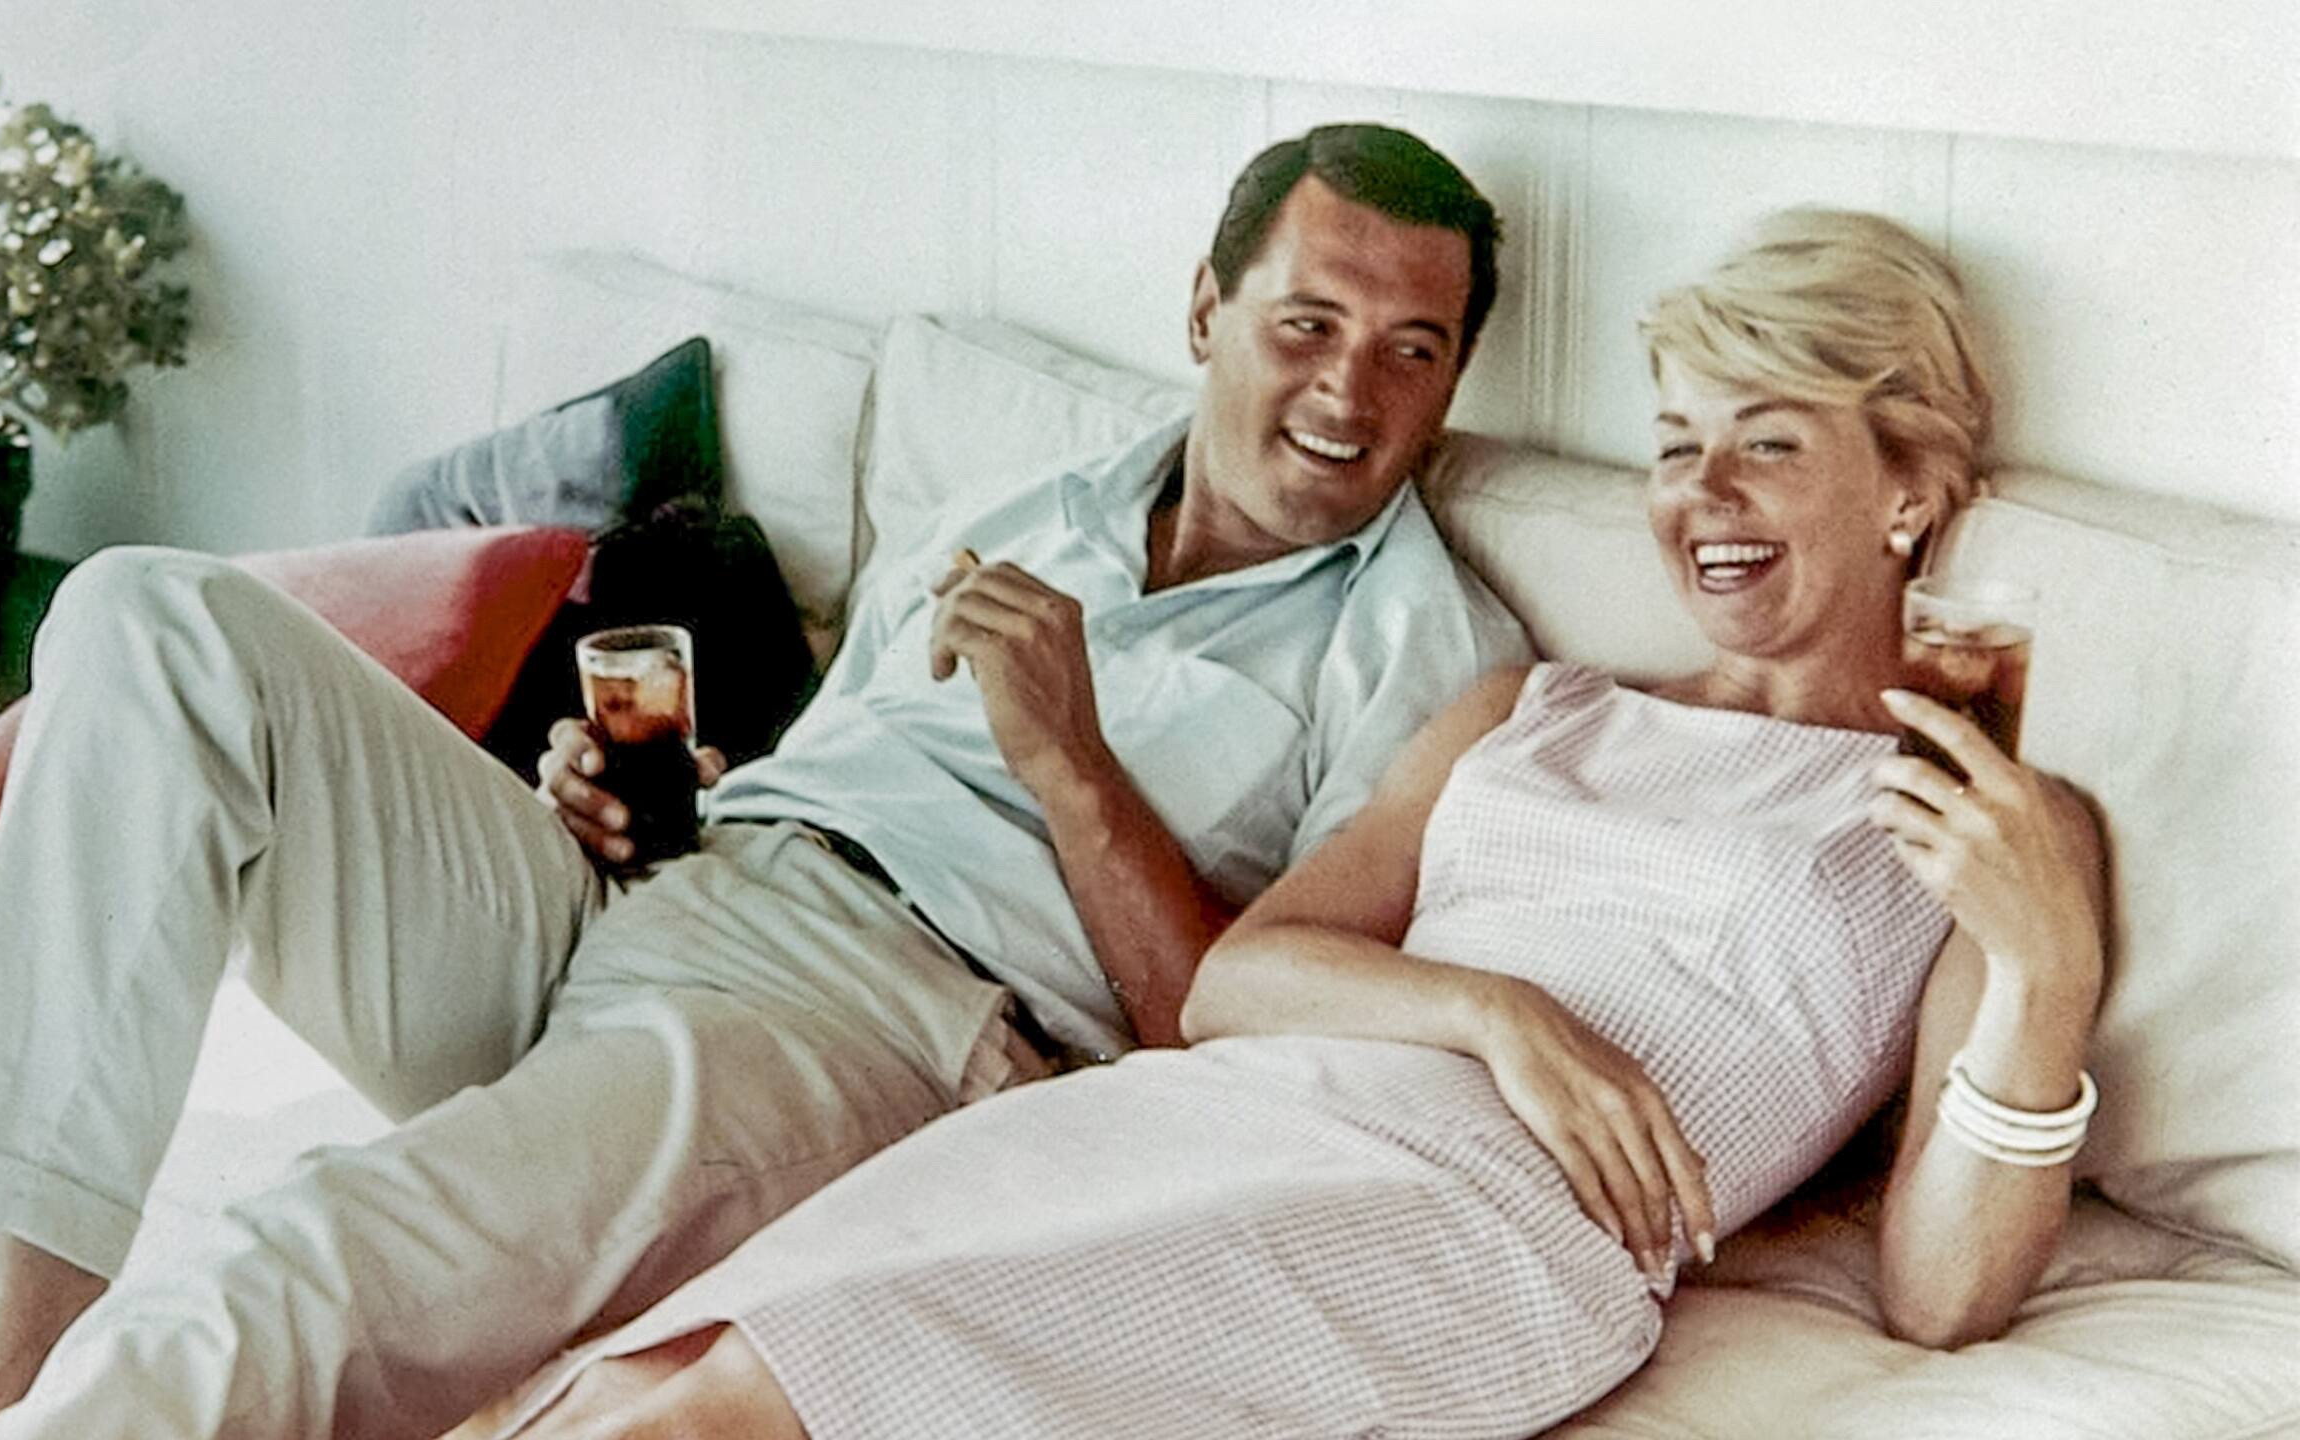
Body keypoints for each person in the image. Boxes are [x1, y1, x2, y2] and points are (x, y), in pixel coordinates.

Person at [0, 123, 1528, 1440]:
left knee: (300, 1258)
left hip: (878, 1029)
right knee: (150, 618)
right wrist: (648, 808)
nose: (1349, 390)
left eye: (1413, 349)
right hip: (669, 899)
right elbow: (833, 772)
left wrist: (1072, 761)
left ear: (1451, 383)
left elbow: (1236, 1043)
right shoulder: (1030, 504)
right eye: (1309, 322)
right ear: (1207, 311)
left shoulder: (1425, 658)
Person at [463, 208, 2110, 1440]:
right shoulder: (1534, 708)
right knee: (632, 1379)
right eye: (1678, 445)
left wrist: (2044, 977)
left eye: (1770, 445)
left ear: (1910, 489)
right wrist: (1503, 1013)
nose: (1703, 498)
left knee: (745, 1406)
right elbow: (1237, 984)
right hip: (1205, 1111)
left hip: (1463, 1226)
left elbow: (1942, 1295)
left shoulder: (1984, 815)